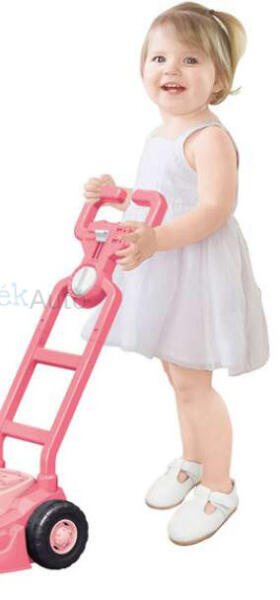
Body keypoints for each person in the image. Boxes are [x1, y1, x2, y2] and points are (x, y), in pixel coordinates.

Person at [81, 2, 269, 546]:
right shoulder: (161, 132)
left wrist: (157, 239)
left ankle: (219, 486)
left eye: (190, 60)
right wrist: (116, 194)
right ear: (142, 68)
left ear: (219, 78)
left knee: (194, 383)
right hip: (164, 265)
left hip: (195, 270)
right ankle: (192, 460)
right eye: (160, 58)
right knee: (177, 375)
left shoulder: (209, 138)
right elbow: (157, 197)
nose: (172, 69)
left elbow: (214, 209)